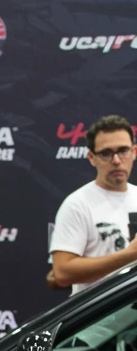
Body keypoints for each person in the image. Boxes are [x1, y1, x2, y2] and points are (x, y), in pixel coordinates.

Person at [50, 114, 137, 293]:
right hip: (101, 317)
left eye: (123, 150)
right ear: (91, 157)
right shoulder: (77, 204)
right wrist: (129, 255)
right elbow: (63, 273)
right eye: (106, 153)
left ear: (134, 152)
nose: (116, 160)